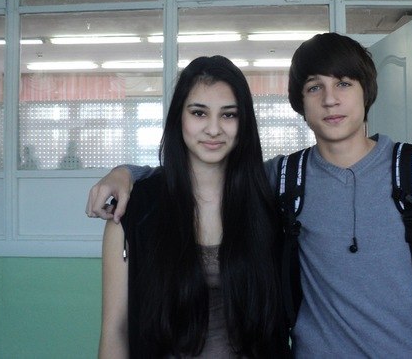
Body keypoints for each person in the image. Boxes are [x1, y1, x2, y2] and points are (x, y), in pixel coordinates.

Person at [89, 34, 412, 358]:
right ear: (299, 102)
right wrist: (126, 174)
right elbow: (200, 171)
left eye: (344, 83)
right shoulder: (286, 178)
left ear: (366, 92)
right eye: (314, 87)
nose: (330, 99)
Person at [98, 55, 289, 358]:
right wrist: (123, 172)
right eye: (199, 113)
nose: (213, 129)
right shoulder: (132, 210)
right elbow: (115, 331)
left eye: (228, 115)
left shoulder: (269, 203)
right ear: (179, 118)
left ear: (244, 123)